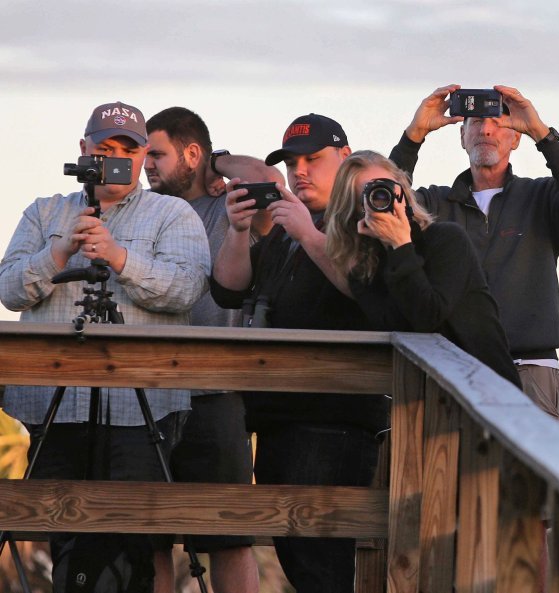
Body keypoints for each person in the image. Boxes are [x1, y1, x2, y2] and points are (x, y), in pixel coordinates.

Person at [0, 101, 211, 587]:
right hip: (54, 403)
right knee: (61, 528)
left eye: (128, 150)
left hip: (142, 407)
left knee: (133, 535)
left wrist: (119, 257)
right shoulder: (44, 211)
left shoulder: (172, 214)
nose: (115, 159)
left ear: (142, 157)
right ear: (83, 151)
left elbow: (185, 289)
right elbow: (9, 289)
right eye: (104, 148)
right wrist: (58, 253)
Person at [210, 114, 389, 593]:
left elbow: (364, 290)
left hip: (334, 419)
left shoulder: (366, 218)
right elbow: (230, 291)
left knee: (323, 566)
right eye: (292, 162)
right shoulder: (287, 224)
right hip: (277, 417)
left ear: (345, 158)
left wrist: (310, 235)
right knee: (300, 560)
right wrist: (238, 230)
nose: (300, 171)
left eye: (313, 159)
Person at [389, 84, 559, 420]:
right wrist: (414, 135)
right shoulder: (434, 203)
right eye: (474, 122)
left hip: (529, 367)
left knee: (532, 470)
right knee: (451, 470)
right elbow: (385, 206)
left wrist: (541, 133)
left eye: (497, 121)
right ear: (462, 137)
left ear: (515, 137)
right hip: (455, 365)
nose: (486, 129)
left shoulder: (541, 198)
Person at [145, 106, 282, 593]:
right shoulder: (146, 210)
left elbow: (267, 176)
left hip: (216, 391)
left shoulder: (228, 204)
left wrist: (215, 164)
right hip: (151, 396)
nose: (146, 165)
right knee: (149, 536)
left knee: (229, 535)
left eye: (157, 154)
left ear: (192, 153)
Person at [323, 150, 522, 389]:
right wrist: (396, 248)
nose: (382, 199)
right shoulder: (364, 271)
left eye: (387, 189)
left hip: (489, 393)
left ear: (404, 192)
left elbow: (429, 316)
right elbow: (400, 329)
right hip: (424, 400)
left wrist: (400, 244)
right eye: (370, 194)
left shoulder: (447, 240)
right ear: (355, 210)